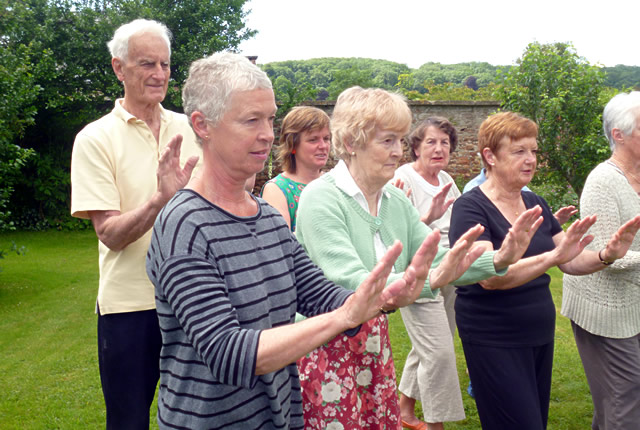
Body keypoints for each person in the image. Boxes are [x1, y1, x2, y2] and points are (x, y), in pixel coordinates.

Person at [145, 52, 446, 429]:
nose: (268, 134)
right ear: (203, 125)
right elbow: (227, 353)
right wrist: (346, 315)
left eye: (270, 118)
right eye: (251, 120)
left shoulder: (267, 218)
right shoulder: (184, 225)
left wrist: (382, 298)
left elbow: (321, 295)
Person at [295, 88, 544, 429]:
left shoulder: (394, 200)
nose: (399, 152)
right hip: (323, 346)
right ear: (352, 142)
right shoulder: (320, 199)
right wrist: (432, 279)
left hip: (371, 340)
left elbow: (438, 257)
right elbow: (350, 281)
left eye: (400, 140)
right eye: (388, 141)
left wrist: (499, 258)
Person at [448, 111, 640, 430]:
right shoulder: (470, 208)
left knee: (534, 420)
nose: (530, 159)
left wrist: (607, 254)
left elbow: (571, 260)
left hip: (538, 333)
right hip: (494, 337)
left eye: (533, 151)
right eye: (519, 151)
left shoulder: (533, 201)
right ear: (489, 156)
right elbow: (491, 278)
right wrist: (552, 257)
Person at [70, 19, 201, 429]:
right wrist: (160, 200)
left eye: (164, 63)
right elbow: (110, 234)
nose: (159, 74)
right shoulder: (95, 139)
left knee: (200, 415)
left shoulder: (191, 127)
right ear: (118, 68)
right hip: (129, 308)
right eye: (147, 63)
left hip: (195, 299)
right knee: (128, 421)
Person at [562, 91, 640, 430]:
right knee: (626, 393)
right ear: (618, 135)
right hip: (603, 309)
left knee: (618, 397)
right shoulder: (603, 181)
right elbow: (608, 257)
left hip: (633, 305)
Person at [393, 117, 464, 430]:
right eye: (431, 142)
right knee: (439, 354)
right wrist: (427, 217)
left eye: (445, 142)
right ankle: (437, 425)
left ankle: (404, 410)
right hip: (418, 276)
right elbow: (394, 235)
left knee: (433, 343)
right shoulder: (402, 179)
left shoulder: (447, 179)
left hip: (451, 272)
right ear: (416, 148)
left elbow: (460, 220)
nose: (439, 149)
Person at [261, 106, 331, 231]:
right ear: (292, 145)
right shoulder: (277, 190)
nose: (323, 146)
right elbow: (282, 244)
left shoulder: (334, 183)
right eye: (313, 140)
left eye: (326, 139)